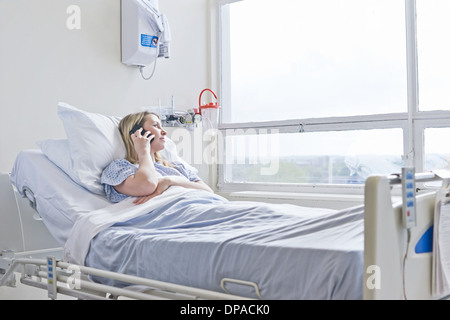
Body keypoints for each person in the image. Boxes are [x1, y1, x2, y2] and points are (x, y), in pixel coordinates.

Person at [101, 111, 213, 204]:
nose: (164, 132)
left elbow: (208, 192)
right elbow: (147, 185)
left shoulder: (177, 167)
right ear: (137, 133)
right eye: (156, 126)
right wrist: (143, 152)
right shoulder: (120, 168)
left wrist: (169, 180)